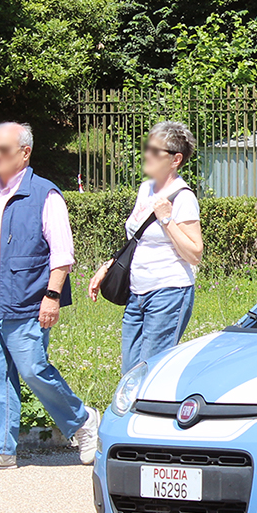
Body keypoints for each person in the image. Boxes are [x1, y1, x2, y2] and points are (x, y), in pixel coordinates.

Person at [0, 122, 99, 468]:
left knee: (33, 369)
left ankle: (82, 421)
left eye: (3, 149)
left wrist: (52, 296)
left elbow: (62, 253)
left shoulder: (45, 194)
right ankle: (2, 449)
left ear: (24, 153)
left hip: (28, 300)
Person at [89, 121, 203, 373]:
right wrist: (108, 265)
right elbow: (136, 239)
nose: (147, 155)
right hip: (136, 292)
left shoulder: (183, 197)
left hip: (168, 292)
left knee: (150, 371)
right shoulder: (145, 189)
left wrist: (166, 219)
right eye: (147, 148)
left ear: (175, 159)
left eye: (155, 150)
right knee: (130, 371)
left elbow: (195, 253)